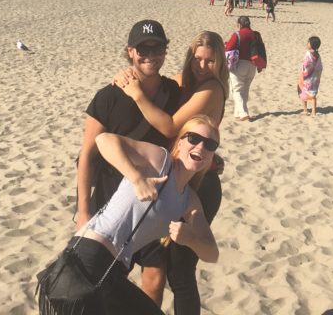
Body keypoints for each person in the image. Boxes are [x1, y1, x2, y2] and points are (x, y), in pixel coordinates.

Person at [112, 31, 228, 314]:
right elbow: (156, 81)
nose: (202, 66)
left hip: (201, 183)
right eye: (197, 59)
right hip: (179, 176)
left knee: (181, 269)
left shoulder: (211, 89)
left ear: (220, 63)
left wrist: (137, 95)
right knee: (167, 262)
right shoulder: (184, 81)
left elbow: (172, 128)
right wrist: (126, 77)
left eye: (209, 61)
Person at [75, 20, 182, 303]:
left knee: (155, 279)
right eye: (143, 49)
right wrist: (83, 211)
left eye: (157, 47)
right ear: (130, 52)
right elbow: (87, 155)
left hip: (153, 205)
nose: (151, 55)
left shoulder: (173, 93)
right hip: (111, 201)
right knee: (103, 283)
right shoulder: (108, 96)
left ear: (165, 50)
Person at [67, 117, 221, 313]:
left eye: (210, 144)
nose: (201, 146)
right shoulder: (161, 160)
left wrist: (191, 239)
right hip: (86, 258)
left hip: (113, 270)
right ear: (180, 142)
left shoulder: (189, 200)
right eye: (193, 138)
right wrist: (136, 177)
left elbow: (212, 253)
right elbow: (104, 140)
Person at [224, 16, 257, 122]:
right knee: (245, 89)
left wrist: (225, 44)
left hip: (240, 64)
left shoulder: (238, 34)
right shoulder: (255, 35)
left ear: (239, 24)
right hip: (252, 65)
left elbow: (229, 47)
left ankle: (242, 112)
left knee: (236, 90)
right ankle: (238, 113)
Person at [297, 36, 323, 116]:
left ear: (311, 45)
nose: (307, 43)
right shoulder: (318, 55)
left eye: (308, 42)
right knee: (313, 94)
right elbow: (320, 66)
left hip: (306, 77)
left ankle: (305, 110)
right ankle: (313, 112)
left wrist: (304, 71)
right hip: (314, 78)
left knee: (302, 92)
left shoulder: (308, 54)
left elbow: (305, 64)